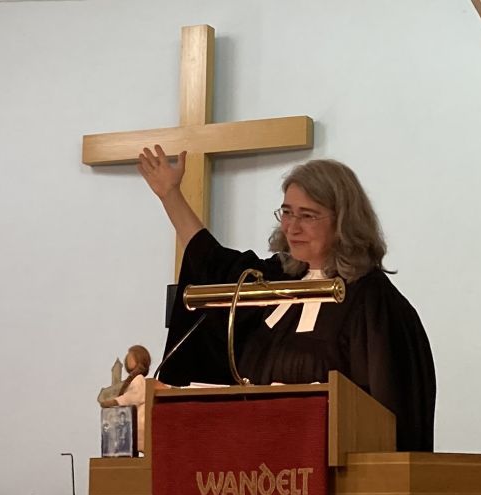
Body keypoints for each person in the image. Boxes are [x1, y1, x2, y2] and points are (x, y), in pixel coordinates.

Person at [138, 147, 436, 451]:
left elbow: (392, 413)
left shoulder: (372, 302)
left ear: (344, 221)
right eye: (287, 212)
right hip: (255, 463)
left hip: (332, 471)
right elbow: (209, 262)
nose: (292, 227)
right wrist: (170, 195)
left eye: (307, 216)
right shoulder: (272, 282)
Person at [98, 345, 151, 452]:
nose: (127, 359)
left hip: (139, 426)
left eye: (131, 356)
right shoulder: (132, 380)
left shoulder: (138, 380)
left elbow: (134, 396)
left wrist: (116, 402)